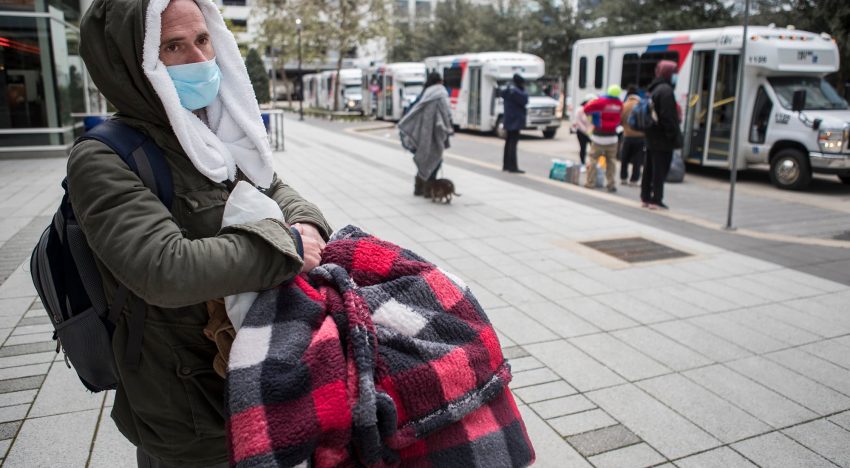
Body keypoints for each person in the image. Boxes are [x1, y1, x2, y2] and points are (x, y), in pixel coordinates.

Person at [72, 0, 332, 466]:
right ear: (131, 62)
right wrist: (287, 246)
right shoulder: (103, 158)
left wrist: (306, 221)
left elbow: (272, 184)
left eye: (203, 40)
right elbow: (163, 268)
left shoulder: (212, 130)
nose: (199, 60)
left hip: (257, 383)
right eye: (173, 46)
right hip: (188, 411)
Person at [398, 72, 453, 196]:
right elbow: (447, 113)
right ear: (440, 81)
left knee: (425, 158)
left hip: (420, 132)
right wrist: (448, 129)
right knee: (435, 159)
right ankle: (428, 189)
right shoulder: (441, 93)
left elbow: (413, 110)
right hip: (433, 133)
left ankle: (419, 187)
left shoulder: (425, 93)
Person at [642, 60, 683, 209]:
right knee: (660, 170)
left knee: (649, 168)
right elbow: (668, 117)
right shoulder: (666, 91)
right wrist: (673, 135)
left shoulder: (653, 89)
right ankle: (656, 199)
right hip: (662, 139)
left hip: (651, 136)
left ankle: (646, 197)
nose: (675, 76)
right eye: (674, 73)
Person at [583, 84, 624, 192]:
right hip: (612, 137)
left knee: (593, 159)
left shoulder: (601, 102)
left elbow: (586, 109)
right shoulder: (619, 104)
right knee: (611, 161)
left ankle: (590, 182)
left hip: (598, 136)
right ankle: (611, 184)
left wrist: (594, 116)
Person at [501, 73, 529, 173]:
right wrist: (524, 89)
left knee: (508, 142)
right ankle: (513, 166)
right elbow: (525, 100)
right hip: (515, 120)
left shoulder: (507, 89)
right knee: (513, 143)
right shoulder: (517, 91)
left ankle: (506, 165)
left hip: (509, 119)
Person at [619, 86, 646, 186]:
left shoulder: (624, 105)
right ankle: (634, 179)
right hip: (640, 137)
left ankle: (623, 178)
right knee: (637, 160)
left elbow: (620, 121)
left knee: (624, 158)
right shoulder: (642, 105)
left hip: (627, 136)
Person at [572, 93, 595, 165]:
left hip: (591, 132)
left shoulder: (594, 110)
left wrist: (591, 130)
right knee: (583, 148)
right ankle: (582, 163)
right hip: (581, 132)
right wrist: (586, 130)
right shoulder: (580, 110)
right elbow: (578, 121)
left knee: (594, 149)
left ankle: (592, 164)